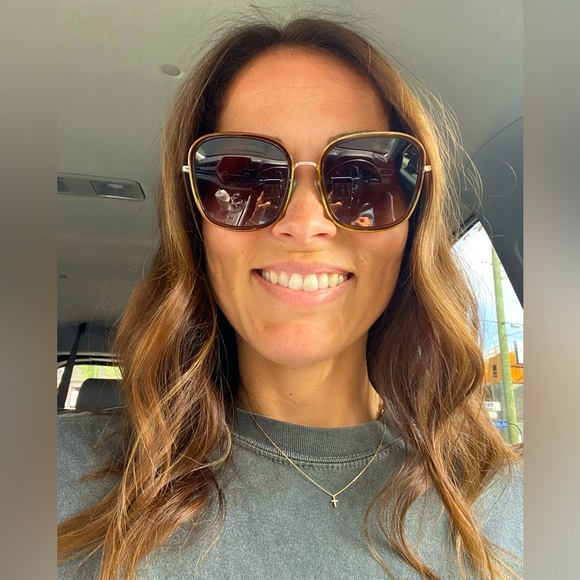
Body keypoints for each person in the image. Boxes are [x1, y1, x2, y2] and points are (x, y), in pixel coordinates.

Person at [57, 17, 523, 579]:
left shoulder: (513, 507)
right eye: (245, 178)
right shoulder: (54, 481)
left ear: (412, 225)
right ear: (195, 223)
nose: (304, 224)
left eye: (362, 178)